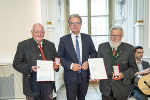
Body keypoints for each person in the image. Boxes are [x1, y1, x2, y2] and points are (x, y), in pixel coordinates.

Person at [13, 23, 60, 100]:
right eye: (36, 32)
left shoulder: (51, 45)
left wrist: (56, 66)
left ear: (44, 33)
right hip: (31, 87)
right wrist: (30, 68)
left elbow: (56, 61)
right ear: (31, 32)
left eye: (41, 32)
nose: (39, 34)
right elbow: (16, 63)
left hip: (48, 86)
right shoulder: (23, 45)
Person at [58, 14, 97, 100]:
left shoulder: (87, 38)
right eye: (72, 23)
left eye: (77, 23)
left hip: (84, 76)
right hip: (70, 77)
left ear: (81, 24)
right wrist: (71, 65)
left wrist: (88, 62)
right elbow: (60, 57)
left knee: (82, 98)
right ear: (69, 25)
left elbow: (94, 53)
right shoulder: (63, 40)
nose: (75, 25)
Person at [97, 26, 138, 100]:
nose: (114, 37)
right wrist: (95, 74)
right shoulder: (102, 47)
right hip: (106, 87)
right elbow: (98, 64)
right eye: (112, 35)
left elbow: (134, 68)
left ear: (122, 36)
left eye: (117, 35)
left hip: (122, 88)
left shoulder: (129, 48)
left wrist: (123, 74)